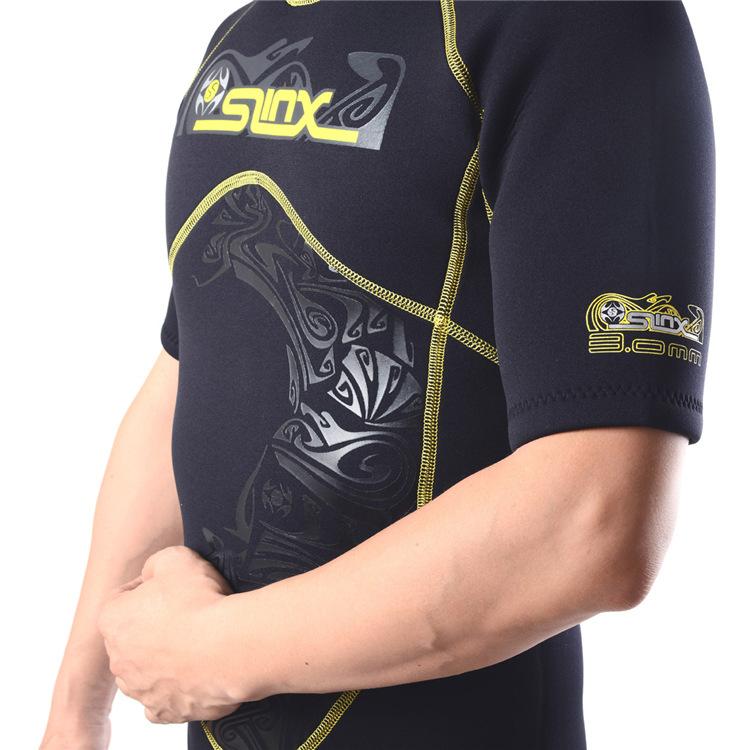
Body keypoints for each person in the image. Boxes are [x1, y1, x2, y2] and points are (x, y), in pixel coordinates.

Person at [40, 2, 714, 749]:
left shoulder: (583, 19)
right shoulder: (250, 33)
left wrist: (210, 653)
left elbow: (595, 520)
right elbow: (194, 364)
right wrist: (78, 711)